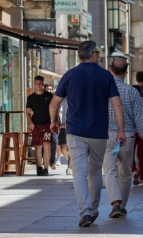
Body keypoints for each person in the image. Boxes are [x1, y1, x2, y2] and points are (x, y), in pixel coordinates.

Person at [49, 41, 126, 228]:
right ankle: (93, 208)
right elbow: (117, 104)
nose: (98, 55)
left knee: (79, 172)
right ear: (93, 54)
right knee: (94, 171)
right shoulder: (105, 76)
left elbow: (54, 103)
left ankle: (85, 212)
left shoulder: (70, 75)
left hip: (75, 131)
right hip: (99, 132)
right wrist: (121, 131)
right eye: (97, 52)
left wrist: (54, 121)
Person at [102, 58, 143, 218]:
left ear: (110, 70)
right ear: (126, 73)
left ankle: (115, 203)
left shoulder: (103, 89)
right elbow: (139, 118)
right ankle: (121, 205)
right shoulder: (132, 91)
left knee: (109, 170)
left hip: (107, 134)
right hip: (128, 136)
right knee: (125, 172)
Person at [26, 76, 55, 176]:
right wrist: (31, 123)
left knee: (47, 145)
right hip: (36, 124)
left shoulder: (49, 95)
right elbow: (27, 112)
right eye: (36, 83)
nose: (38, 85)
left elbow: (54, 108)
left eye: (40, 83)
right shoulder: (31, 98)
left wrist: (54, 121)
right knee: (38, 146)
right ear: (34, 84)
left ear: (43, 84)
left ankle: (46, 168)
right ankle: (39, 168)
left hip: (47, 124)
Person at [45, 84, 59, 170]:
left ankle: (52, 162)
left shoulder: (55, 99)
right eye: (47, 89)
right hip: (45, 124)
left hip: (53, 124)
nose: (49, 91)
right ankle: (45, 161)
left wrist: (58, 121)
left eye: (50, 89)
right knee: (45, 142)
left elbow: (57, 110)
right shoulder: (42, 99)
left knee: (54, 141)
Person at [59, 97, 72, 175]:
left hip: (74, 126)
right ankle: (74, 163)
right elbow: (56, 106)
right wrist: (57, 119)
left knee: (71, 148)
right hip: (64, 126)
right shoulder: (65, 99)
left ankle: (70, 167)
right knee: (63, 148)